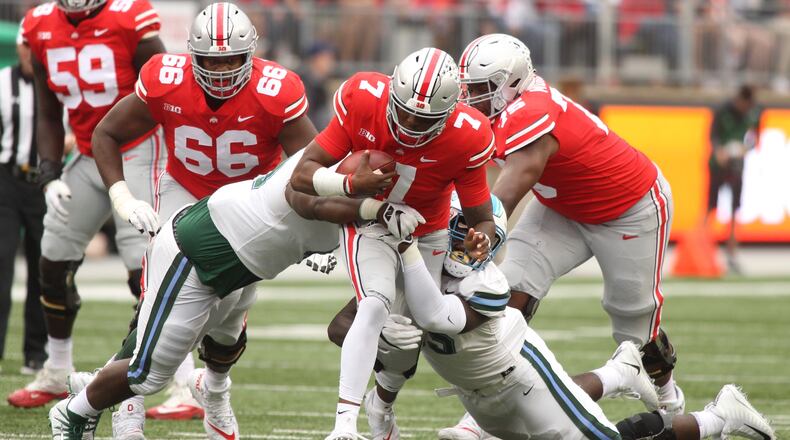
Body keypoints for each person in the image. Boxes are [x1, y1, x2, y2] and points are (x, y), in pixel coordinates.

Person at [48, 149, 425, 440]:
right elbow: (309, 201)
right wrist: (370, 205)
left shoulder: (358, 189)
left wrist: (383, 316)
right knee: (148, 374)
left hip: (242, 269)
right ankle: (74, 410)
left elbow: (343, 318)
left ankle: (209, 392)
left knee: (226, 343)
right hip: (198, 251)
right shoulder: (312, 177)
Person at [89, 2, 317, 433]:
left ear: (251, 53)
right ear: (193, 57)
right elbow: (107, 131)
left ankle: (214, 387)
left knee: (228, 318)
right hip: (185, 190)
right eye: (212, 60)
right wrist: (121, 197)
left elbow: (312, 163)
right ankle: (128, 402)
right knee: (158, 299)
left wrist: (316, 228)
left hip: (248, 204)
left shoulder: (276, 91)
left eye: (232, 58)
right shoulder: (164, 80)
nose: (223, 69)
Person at [455, 33, 685, 424]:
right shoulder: (502, 108)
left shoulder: (531, 111)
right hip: (562, 206)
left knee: (635, 333)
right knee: (507, 297)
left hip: (629, 209)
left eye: (479, 88)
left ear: (508, 84)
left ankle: (669, 400)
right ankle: (484, 416)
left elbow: (511, 186)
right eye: (467, 87)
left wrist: (480, 233)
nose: (470, 97)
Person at [374, 220, 775, 440]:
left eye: (475, 240)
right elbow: (355, 322)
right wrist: (381, 331)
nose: (464, 247)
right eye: (459, 236)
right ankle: (620, 373)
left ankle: (719, 417)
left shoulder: (489, 284)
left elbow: (438, 316)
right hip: (479, 398)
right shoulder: (419, 274)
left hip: (522, 379)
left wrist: (405, 257)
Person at [289, 47, 497, 440]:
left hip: (427, 230)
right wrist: (352, 186)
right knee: (374, 305)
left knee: (407, 337)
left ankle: (382, 404)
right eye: (404, 111)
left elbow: (480, 217)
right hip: (368, 219)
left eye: (425, 117)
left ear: (449, 111)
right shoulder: (362, 97)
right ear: (391, 94)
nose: (411, 123)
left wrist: (480, 239)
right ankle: (344, 426)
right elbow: (302, 176)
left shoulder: (468, 136)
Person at [7, 0, 166, 409]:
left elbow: (166, 90)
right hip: (87, 152)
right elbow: (49, 109)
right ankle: (57, 370)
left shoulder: (130, 17)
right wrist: (49, 173)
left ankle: (181, 380)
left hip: (139, 149)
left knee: (146, 268)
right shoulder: (40, 25)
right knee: (53, 261)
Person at [0, 30, 47, 376]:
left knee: (45, 269)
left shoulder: (57, 84)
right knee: (1, 264)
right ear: (19, 48)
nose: (31, 54)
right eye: (26, 48)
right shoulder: (2, 82)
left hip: (45, 184)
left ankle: (37, 352)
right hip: (7, 179)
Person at [706, 85, 759, 274]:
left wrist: (745, 149)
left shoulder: (753, 112)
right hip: (718, 164)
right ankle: (704, 250)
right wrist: (719, 151)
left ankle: (732, 254)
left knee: (735, 210)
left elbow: (754, 137)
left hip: (737, 164)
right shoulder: (723, 110)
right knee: (710, 207)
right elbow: (713, 135)